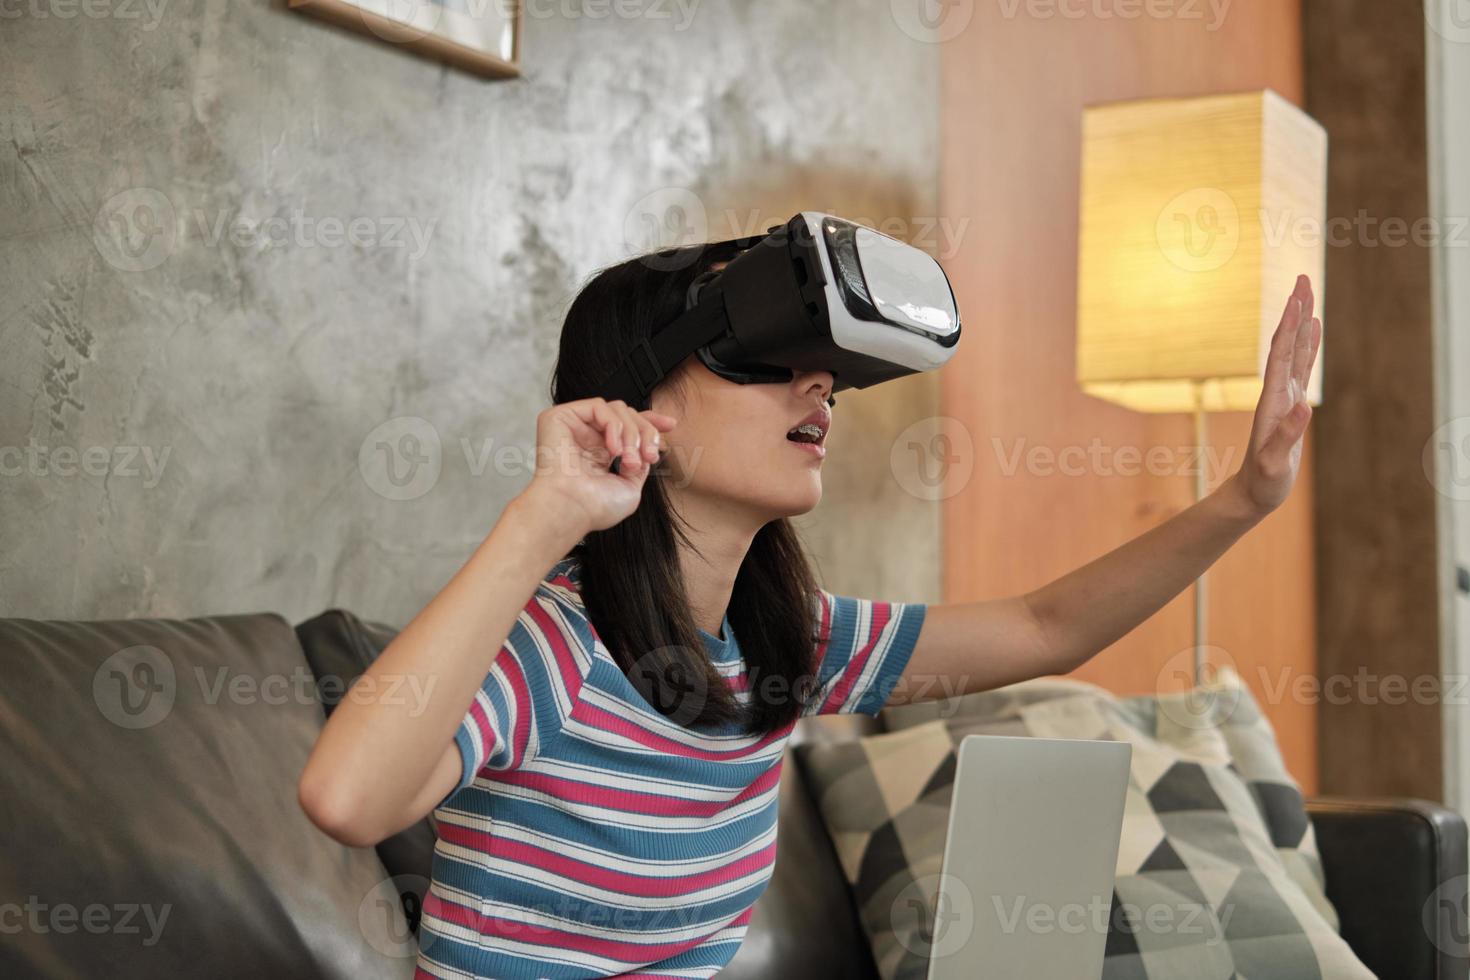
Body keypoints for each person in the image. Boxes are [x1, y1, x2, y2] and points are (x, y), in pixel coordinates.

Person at [298, 238, 1322, 979]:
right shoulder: (561, 646)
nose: (819, 383)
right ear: (635, 400)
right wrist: (546, 512)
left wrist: (1243, 498)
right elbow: (347, 799)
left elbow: (1045, 626)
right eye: (764, 357)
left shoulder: (787, 640)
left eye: (824, 367)